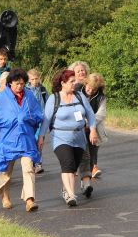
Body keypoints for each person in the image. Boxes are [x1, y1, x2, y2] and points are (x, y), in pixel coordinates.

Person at [0, 68, 43, 212]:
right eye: (16, 84)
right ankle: (5, 196)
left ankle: (30, 200)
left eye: (22, 83)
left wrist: (29, 120)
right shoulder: (1, 98)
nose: (19, 86)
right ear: (10, 84)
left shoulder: (29, 96)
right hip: (7, 141)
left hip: (26, 139)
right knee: (6, 172)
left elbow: (38, 114)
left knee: (28, 168)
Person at [38, 69, 98, 207]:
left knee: (73, 166)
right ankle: (71, 195)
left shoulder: (79, 96)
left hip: (79, 138)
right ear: (62, 83)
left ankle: (66, 190)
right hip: (60, 137)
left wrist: (93, 130)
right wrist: (41, 137)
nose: (74, 84)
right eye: (71, 81)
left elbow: (90, 114)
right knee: (68, 164)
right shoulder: (54, 99)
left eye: (74, 81)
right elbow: (46, 120)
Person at [81, 73, 108, 179]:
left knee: (93, 147)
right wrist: (82, 122)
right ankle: (83, 169)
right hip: (79, 125)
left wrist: (89, 123)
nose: (91, 91)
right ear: (86, 83)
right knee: (82, 149)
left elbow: (101, 114)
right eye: (89, 88)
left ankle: (92, 168)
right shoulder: (78, 92)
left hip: (95, 126)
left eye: (94, 89)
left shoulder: (101, 97)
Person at [26, 68, 49, 174]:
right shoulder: (26, 90)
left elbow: (48, 103)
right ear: (29, 80)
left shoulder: (43, 89)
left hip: (41, 119)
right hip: (30, 119)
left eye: (36, 78)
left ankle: (38, 163)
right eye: (32, 79)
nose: (35, 81)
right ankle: (31, 162)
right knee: (31, 141)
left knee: (39, 141)